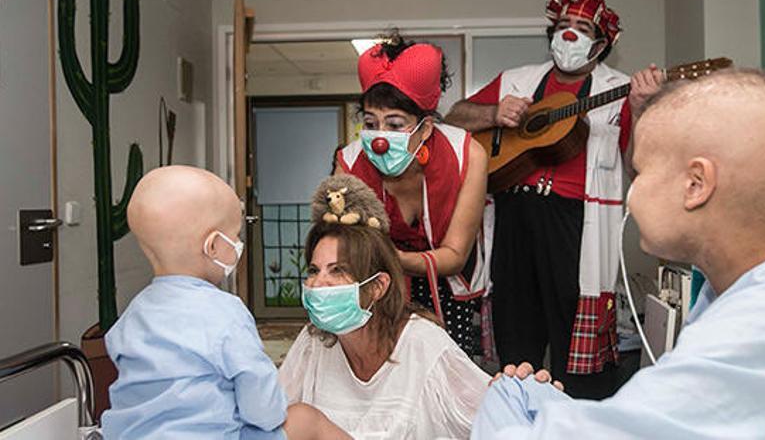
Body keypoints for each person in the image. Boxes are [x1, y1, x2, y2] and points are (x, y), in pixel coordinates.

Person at [470, 69, 765, 439]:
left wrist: (502, 401)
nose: (631, 190)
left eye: (642, 171)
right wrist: (531, 394)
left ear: (696, 184)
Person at [445, 0, 662, 398]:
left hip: (576, 224)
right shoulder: (516, 80)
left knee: (575, 333)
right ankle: (516, 413)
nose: (569, 34)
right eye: (563, 25)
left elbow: (640, 165)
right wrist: (493, 113)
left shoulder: (622, 90)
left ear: (602, 43)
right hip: (512, 215)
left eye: (583, 28)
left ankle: (581, 422)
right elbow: (454, 118)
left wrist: (645, 107)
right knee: (516, 329)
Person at [102, 166, 348, 440]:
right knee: (306, 418)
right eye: (236, 236)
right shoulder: (225, 312)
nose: (239, 243)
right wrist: (273, 413)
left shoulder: (133, 314)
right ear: (213, 247)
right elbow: (261, 404)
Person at [278, 175, 492, 439]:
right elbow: (271, 415)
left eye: (338, 270)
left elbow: (494, 416)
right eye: (313, 270)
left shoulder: (422, 343)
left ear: (378, 286)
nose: (319, 283)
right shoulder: (314, 343)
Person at [335, 32, 489, 355]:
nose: (380, 137)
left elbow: (455, 255)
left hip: (449, 288)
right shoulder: (349, 163)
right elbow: (348, 246)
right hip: (379, 286)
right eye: (370, 122)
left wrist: (394, 259)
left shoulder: (467, 156)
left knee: (445, 376)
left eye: (394, 124)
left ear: (427, 128)